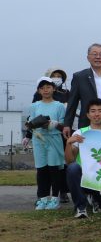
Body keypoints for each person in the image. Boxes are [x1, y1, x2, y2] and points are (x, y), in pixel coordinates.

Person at [63, 43, 101, 137]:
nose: (98, 57)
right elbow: (72, 102)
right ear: (88, 57)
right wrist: (67, 124)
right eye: (94, 54)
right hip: (88, 123)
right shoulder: (79, 77)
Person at [28, 77, 66, 210]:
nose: (45, 90)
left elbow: (63, 125)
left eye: (48, 87)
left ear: (54, 89)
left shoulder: (60, 106)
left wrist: (53, 124)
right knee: (41, 169)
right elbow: (31, 123)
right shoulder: (34, 106)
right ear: (38, 90)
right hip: (39, 140)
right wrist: (29, 133)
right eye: (42, 88)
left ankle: (55, 198)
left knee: (54, 169)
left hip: (54, 139)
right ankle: (42, 198)